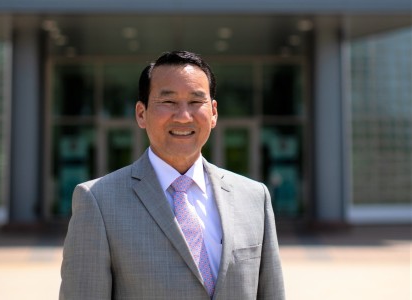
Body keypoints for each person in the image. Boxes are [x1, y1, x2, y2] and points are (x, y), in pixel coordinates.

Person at [60, 50, 285, 300]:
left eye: (195, 101)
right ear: (141, 114)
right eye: (168, 102)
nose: (183, 116)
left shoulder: (253, 197)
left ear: (213, 113)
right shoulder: (98, 202)